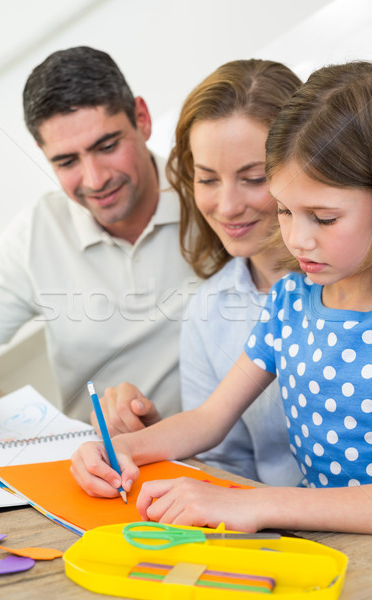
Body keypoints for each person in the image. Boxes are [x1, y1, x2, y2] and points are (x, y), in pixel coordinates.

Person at [71, 61, 372, 534]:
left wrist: (258, 505)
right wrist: (125, 448)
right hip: (326, 549)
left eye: (324, 218)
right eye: (287, 211)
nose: (297, 239)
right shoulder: (291, 300)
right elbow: (210, 419)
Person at [94, 59, 302, 485]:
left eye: (254, 178)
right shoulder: (209, 310)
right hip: (284, 539)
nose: (226, 207)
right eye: (208, 179)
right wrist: (154, 437)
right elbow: (227, 468)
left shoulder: (349, 288)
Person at [0, 46, 196, 425]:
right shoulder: (35, 233)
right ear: (43, 154)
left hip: (222, 462)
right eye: (67, 161)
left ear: (141, 118)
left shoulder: (214, 198)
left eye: (107, 147)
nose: (95, 180)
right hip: (100, 466)